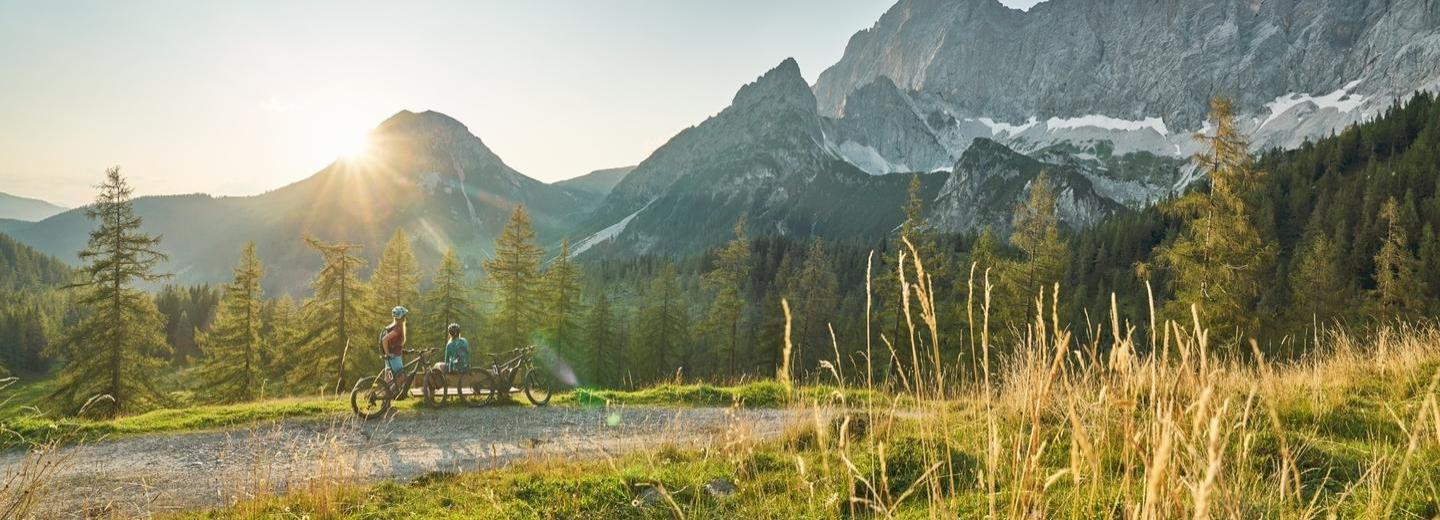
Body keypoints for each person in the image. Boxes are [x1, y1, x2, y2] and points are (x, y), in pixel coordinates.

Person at [381, 306, 408, 382]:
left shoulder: (392, 327)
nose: (405, 318)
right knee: (401, 377)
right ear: (401, 317)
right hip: (394, 357)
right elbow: (384, 339)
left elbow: (393, 342)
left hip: (390, 356)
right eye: (404, 316)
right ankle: (391, 393)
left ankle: (387, 393)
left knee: (388, 380)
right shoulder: (397, 329)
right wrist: (388, 353)